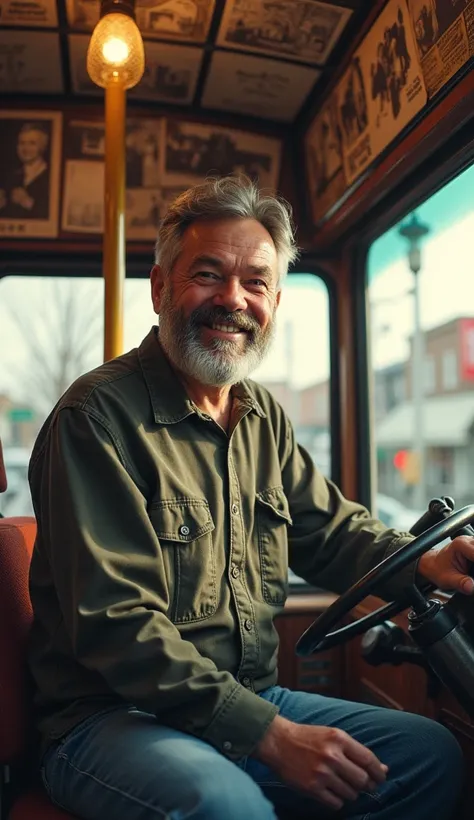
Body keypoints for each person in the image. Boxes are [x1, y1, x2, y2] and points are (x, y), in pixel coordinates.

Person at [29, 175, 471, 820]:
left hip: (248, 695)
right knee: (224, 805)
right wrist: (266, 734)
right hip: (111, 717)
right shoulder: (95, 420)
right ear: (160, 289)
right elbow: (116, 624)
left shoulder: (262, 415)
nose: (232, 300)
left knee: (429, 753)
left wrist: (424, 563)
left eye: (256, 283)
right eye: (207, 275)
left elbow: (330, 531)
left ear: (274, 301)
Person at [0, 122, 50, 220]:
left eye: (32, 143)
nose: (26, 148)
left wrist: (27, 202)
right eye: (22, 143)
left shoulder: (51, 176)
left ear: (43, 146)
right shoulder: (10, 177)